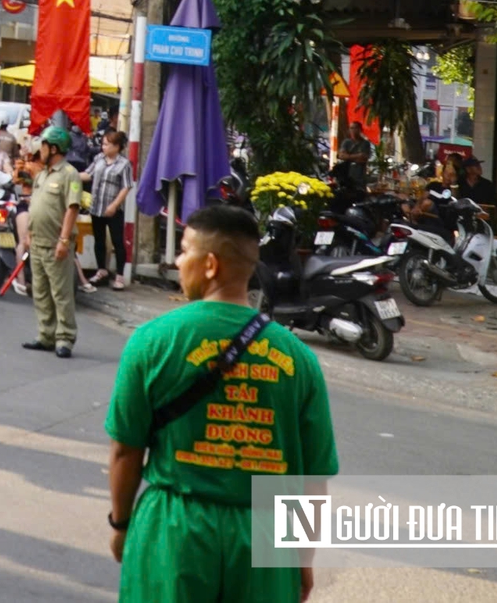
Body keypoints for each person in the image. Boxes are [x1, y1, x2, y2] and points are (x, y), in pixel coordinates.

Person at [105, 204, 337, 603]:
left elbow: (126, 450)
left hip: (174, 531)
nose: (178, 262)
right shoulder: (299, 360)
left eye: (183, 251)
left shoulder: (152, 341)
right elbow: (312, 480)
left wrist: (122, 524)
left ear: (209, 264)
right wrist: (302, 558)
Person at [23, 125, 82, 358]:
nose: (41, 150)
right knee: (40, 292)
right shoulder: (43, 174)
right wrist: (28, 232)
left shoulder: (69, 174)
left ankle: (65, 338)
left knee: (61, 293)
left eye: (45, 146)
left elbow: (72, 208)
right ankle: (46, 335)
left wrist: (64, 240)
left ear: (54, 148)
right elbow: (34, 205)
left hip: (56, 244)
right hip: (37, 242)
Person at [83, 131, 134, 289]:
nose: (103, 147)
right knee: (99, 240)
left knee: (118, 241)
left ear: (117, 147)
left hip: (113, 209)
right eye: (103, 144)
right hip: (96, 206)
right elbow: (88, 174)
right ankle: (101, 271)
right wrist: (69, 175)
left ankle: (119, 276)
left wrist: (114, 205)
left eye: (106, 144)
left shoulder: (124, 164)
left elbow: (126, 187)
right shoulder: (99, 158)